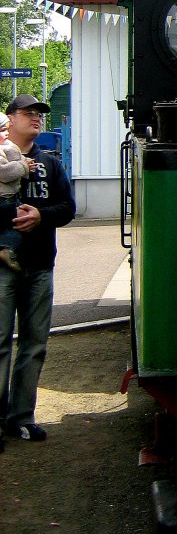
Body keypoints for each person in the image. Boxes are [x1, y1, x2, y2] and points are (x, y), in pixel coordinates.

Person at [0, 94, 75, 450]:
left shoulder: (50, 163)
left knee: (34, 345)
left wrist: (41, 216)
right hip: (2, 267)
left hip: (41, 265)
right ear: (10, 119)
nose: (36, 119)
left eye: (39, 114)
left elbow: (68, 207)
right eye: (28, 113)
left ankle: (21, 418)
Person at [0, 112, 38, 272]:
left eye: (7, 129)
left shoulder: (5, 147)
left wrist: (23, 162)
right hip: (4, 197)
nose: (7, 133)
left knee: (12, 225)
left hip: (11, 195)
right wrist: (23, 166)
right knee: (13, 224)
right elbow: (4, 172)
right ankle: (6, 251)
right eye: (2, 130)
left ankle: (8, 250)